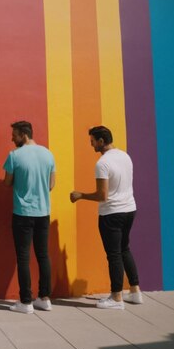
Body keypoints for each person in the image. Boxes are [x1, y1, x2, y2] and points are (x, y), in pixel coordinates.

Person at [70, 126, 142, 309]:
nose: (91, 144)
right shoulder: (125, 156)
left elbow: (102, 196)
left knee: (114, 255)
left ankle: (116, 297)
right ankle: (135, 291)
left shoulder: (102, 163)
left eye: (92, 141)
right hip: (129, 209)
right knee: (124, 249)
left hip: (111, 213)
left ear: (101, 141)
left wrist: (81, 195)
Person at [3, 121, 55, 314]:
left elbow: (7, 183)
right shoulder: (48, 154)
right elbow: (51, 185)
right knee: (43, 255)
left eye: (14, 135)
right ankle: (45, 298)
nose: (12, 138)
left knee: (23, 257)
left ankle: (26, 302)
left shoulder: (14, 156)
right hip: (43, 212)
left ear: (24, 135)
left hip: (23, 214)